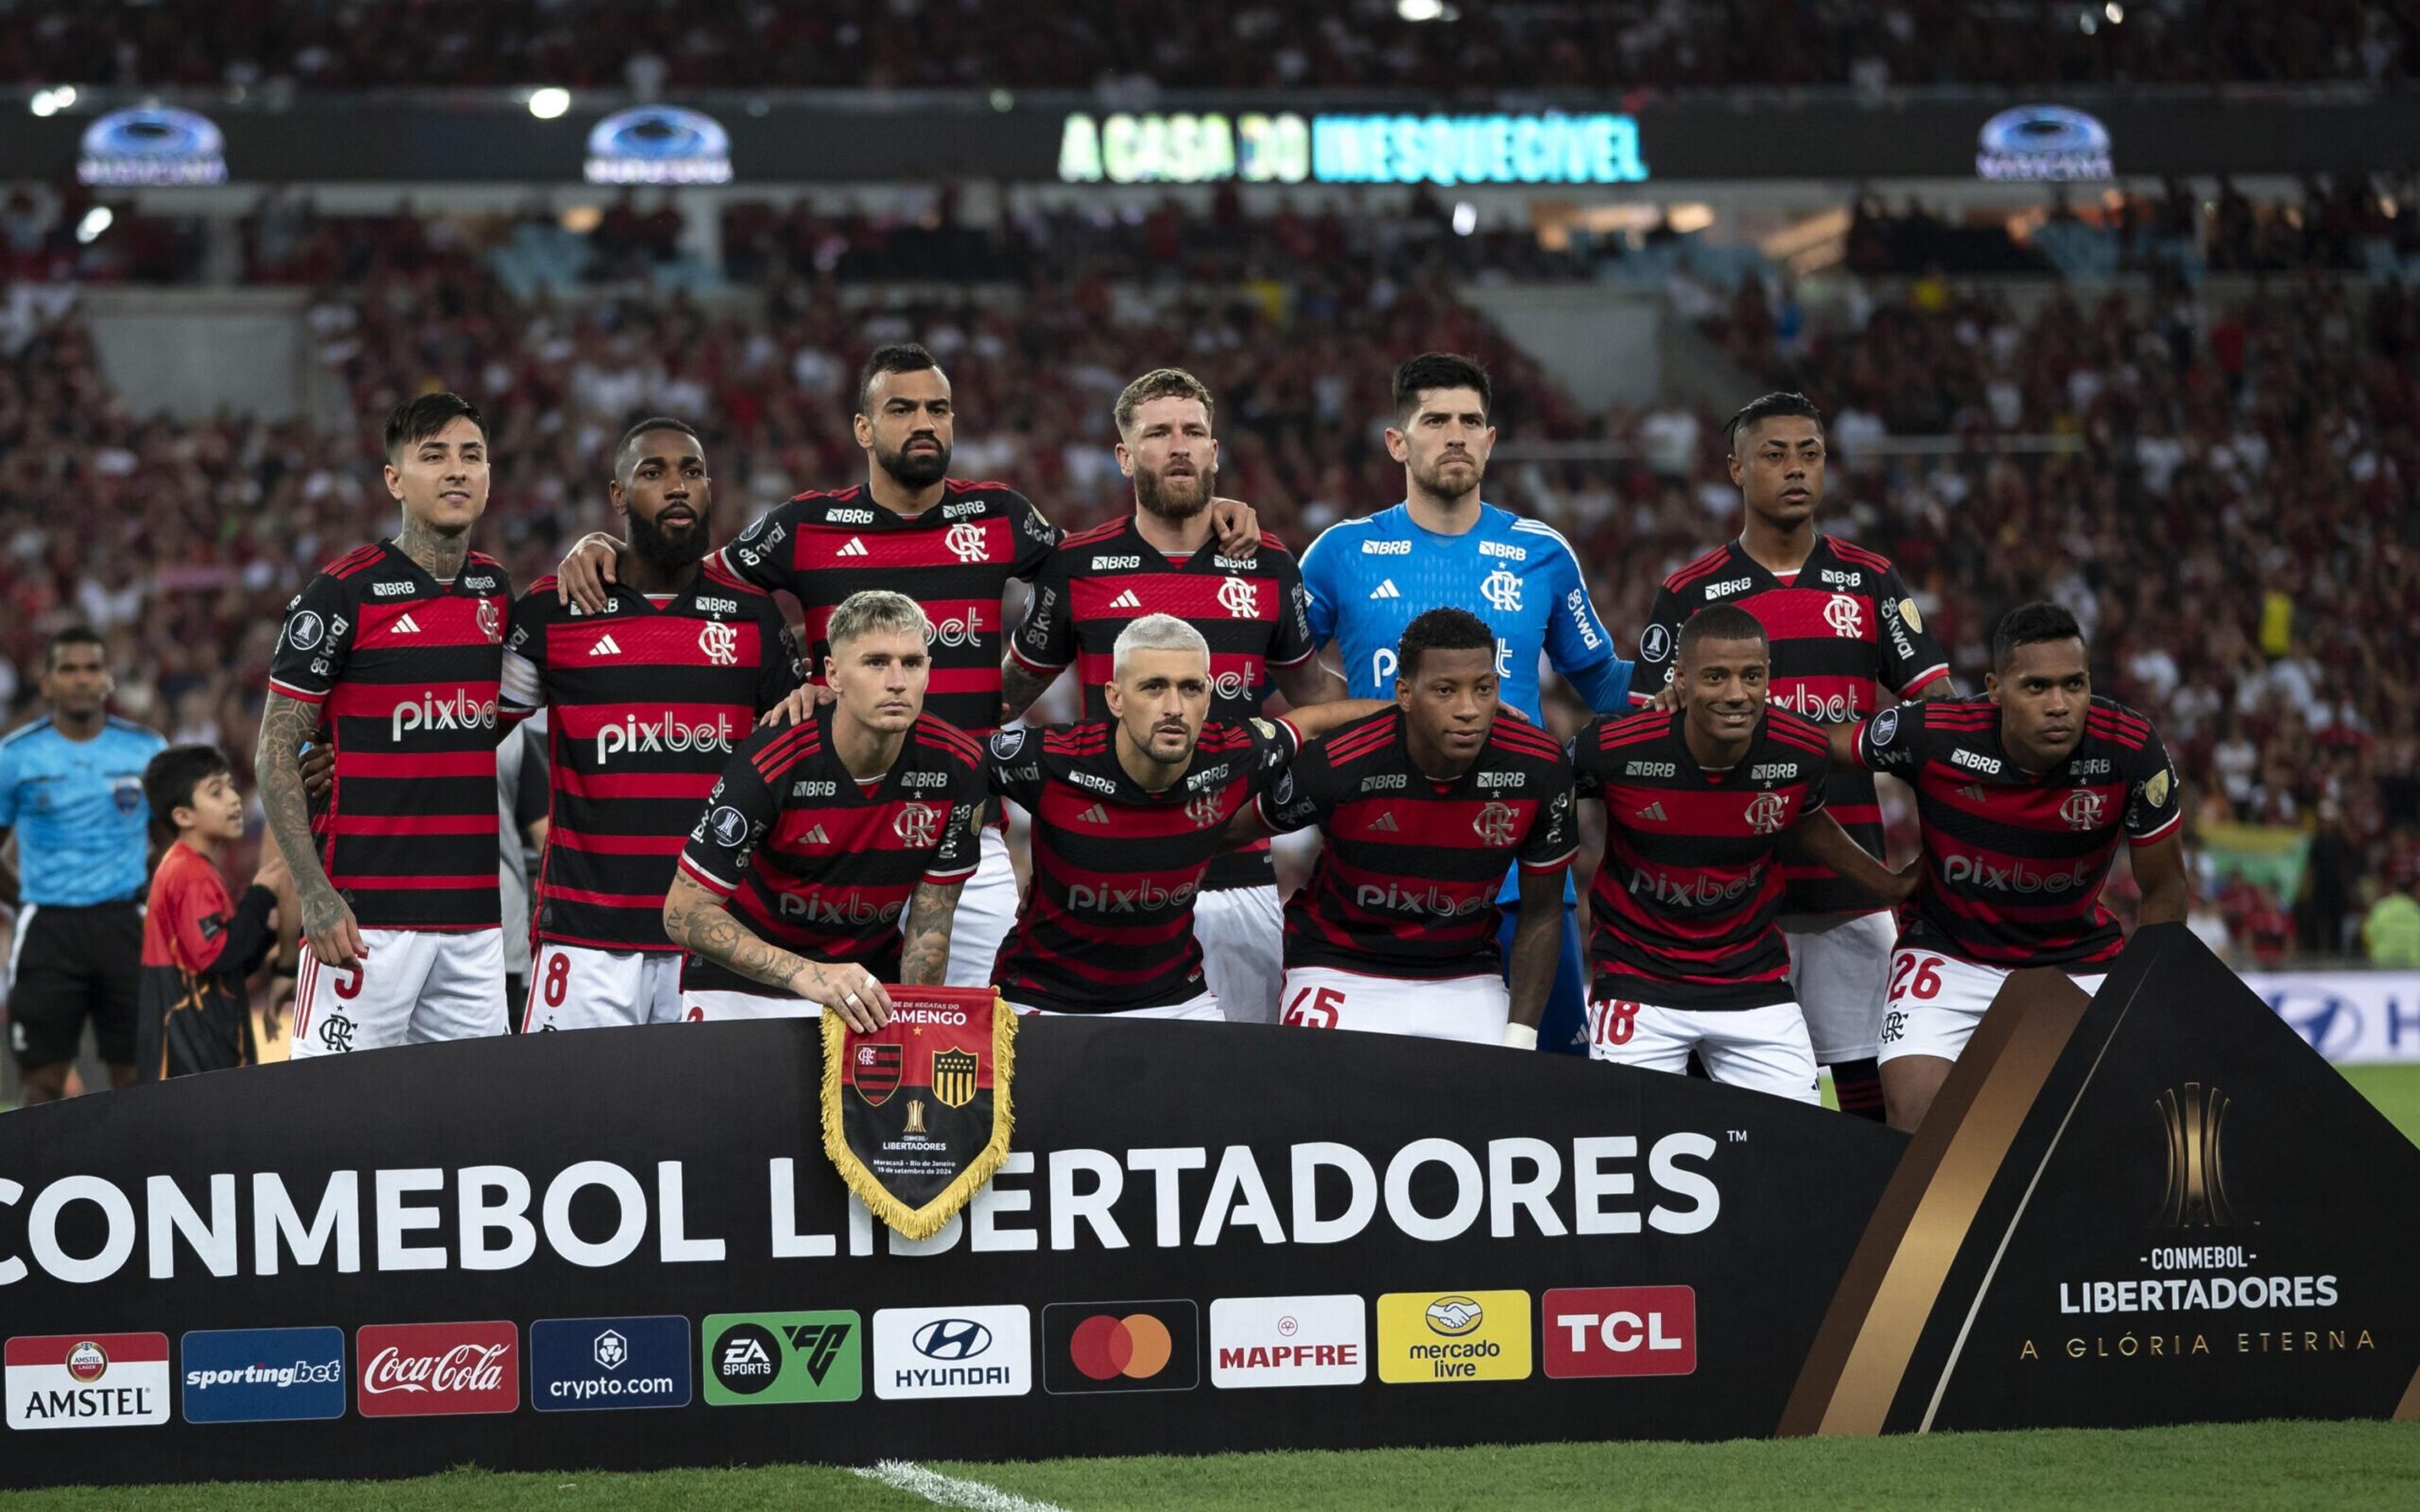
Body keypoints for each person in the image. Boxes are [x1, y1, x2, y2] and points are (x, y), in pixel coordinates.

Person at [555, 344, 1262, 992]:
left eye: (937, 409)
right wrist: (605, 548)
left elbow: (1100, 564)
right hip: (833, 838)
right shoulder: (806, 527)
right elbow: (692, 583)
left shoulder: (1002, 517)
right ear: (864, 429)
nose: (923, 422)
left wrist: (1198, 513)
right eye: (901, 409)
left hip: (966, 834)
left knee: (974, 1048)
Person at [1296, 353, 1634, 1055]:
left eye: (1470, 421)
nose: (1455, 434)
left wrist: (1690, 682)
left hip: (1522, 873)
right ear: (1398, 441)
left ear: (1490, 440)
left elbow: (1602, 683)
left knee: (1556, 1085)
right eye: (1435, 420)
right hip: (1380, 873)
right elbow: (1283, 664)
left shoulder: (1542, 552)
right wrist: (1366, 717)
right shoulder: (1341, 552)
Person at [1636, 391, 1953, 1121]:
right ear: (1737, 469)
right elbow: (1645, 736)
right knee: (1741, 1110)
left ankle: (1877, 1233)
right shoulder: (1691, 593)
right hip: (1734, 898)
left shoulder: (1870, 581)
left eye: (1809, 453)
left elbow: (1938, 718)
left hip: (1854, 891)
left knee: (1874, 1094)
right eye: (1774, 454)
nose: (1795, 469)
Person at [1001, 367, 1328, 1026]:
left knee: (1238, 1103)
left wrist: (1416, 705)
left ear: (1215, 451)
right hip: (1104, 893)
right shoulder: (1077, 566)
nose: (1179, 445)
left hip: (1237, 880)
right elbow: (1003, 699)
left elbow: (1313, 700)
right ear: (1125, 456)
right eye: (1158, 433)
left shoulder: (1267, 564)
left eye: (1194, 432)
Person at [502, 418, 803, 1031]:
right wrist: (342, 750)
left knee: (708, 1127)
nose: (677, 487)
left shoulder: (753, 620)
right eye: (652, 472)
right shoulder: (553, 611)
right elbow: (474, 726)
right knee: (573, 1125)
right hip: (584, 945)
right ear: (618, 496)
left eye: (692, 472)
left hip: (716, 939)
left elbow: (796, 760)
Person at [1842, 602, 2190, 1131]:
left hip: (2073, 956)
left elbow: (2164, 889)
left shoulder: (2130, 749)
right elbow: (1806, 752)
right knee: (1914, 1114)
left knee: (2112, 1126)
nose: (2059, 705)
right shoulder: (1934, 734)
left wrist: (2148, 1000)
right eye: (2037, 687)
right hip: (1950, 951)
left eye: (2074, 685)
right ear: (1996, 688)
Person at [258, 392, 524, 1058]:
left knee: (474, 1127)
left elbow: (478, 725)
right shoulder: (342, 593)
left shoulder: (496, 590)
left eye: (472, 456)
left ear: (491, 475)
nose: (457, 471)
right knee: (332, 1121)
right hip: (363, 919)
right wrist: (315, 896)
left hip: (474, 924)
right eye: (434, 456)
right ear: (395, 479)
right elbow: (274, 751)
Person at [1570, 608, 1916, 1102]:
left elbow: (1807, 820)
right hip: (1638, 980)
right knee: (1629, 1140)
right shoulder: (1612, 746)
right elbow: (1539, 790)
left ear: (1768, 678)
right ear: (1681, 682)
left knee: (1797, 1140)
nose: (1736, 694)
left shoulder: (1800, 751)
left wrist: (1892, 885)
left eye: (1751, 676)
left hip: (1751, 980)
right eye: (1716, 677)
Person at [986, 615, 1385, 1019]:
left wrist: (1417, 714)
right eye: (1154, 687)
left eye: (1190, 688)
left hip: (1174, 1000)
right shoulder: (1048, 758)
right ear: (1115, 698)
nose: (1174, 707)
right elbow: (956, 768)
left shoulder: (1233, 753)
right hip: (1041, 997)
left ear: (1208, 699)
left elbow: (1313, 723)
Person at [1233, 607, 1577, 1046]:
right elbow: (1228, 834)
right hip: (1338, 965)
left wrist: (1521, 1035)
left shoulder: (1539, 767)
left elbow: (1544, 911)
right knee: (1320, 1110)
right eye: (1445, 690)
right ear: (1405, 694)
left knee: (1488, 1111)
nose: (1469, 710)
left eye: (1484, 689)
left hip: (1465, 975)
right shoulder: (1342, 761)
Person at [660, 592, 987, 1026]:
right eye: (875, 663)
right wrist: (809, 975)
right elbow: (682, 912)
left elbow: (932, 926)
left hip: (866, 994)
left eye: (912, 663)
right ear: (832, 674)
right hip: (742, 986)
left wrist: (914, 1022)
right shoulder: (772, 760)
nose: (897, 681)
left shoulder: (959, 765)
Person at [0, 627, 166, 1100]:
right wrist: (28, 900)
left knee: (138, 1077)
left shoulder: (145, 749)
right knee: (42, 1082)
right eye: (67, 669)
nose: (80, 679)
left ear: (107, 680)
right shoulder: (15, 756)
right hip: (48, 930)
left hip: (124, 926)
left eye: (91, 668)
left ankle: (141, 1173)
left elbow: (173, 839)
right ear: (47, 682)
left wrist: (142, 885)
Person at [136, 745, 290, 1079]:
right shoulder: (188, 874)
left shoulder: (195, 869)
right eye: (216, 793)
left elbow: (230, 966)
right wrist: (261, 894)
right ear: (183, 816)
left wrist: (264, 931)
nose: (234, 799)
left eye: (232, 787)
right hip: (192, 1060)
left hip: (201, 1049)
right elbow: (216, 956)